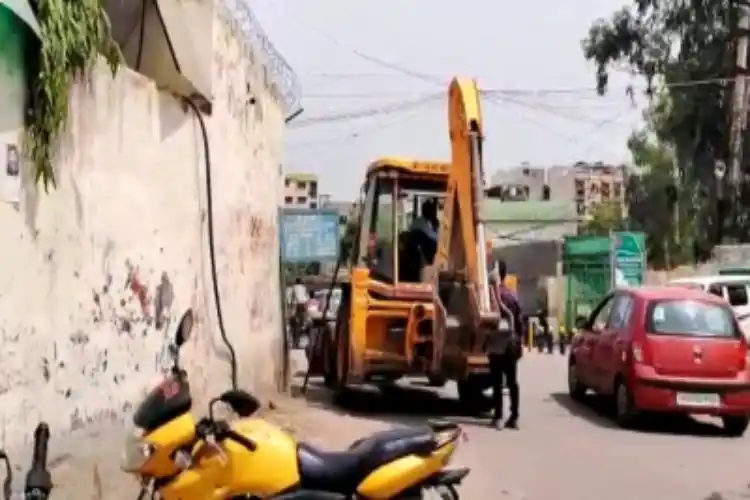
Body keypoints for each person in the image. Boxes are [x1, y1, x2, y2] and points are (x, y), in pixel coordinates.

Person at [487, 259, 523, 430]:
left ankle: (498, 417)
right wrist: (520, 342)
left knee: (496, 381)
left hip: (496, 343)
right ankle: (514, 417)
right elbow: (519, 321)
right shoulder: (511, 295)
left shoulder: (489, 297)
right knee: (512, 381)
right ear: (505, 275)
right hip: (511, 343)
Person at [289, 278, 309, 348]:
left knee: (294, 322)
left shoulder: (293, 287)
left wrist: (291, 309)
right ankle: (304, 324)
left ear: (295, 282)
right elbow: (306, 298)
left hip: (296, 305)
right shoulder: (304, 287)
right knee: (301, 321)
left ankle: (296, 342)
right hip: (302, 305)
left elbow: (291, 298)